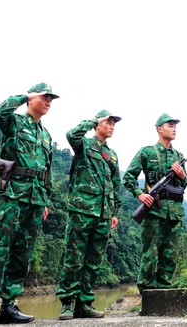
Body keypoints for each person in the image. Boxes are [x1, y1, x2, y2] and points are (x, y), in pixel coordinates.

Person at [0, 83, 59, 327]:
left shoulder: (46, 135)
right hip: (11, 195)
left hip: (34, 199)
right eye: (44, 97)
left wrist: (45, 200)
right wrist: (25, 96)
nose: (48, 102)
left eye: (51, 99)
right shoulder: (14, 122)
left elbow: (47, 171)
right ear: (32, 99)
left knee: (23, 255)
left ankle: (8, 306)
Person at [55, 110, 122, 320]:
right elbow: (71, 134)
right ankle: (67, 302)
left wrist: (114, 211)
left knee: (94, 261)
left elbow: (115, 183)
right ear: (98, 125)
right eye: (108, 122)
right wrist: (93, 120)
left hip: (103, 214)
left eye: (114, 123)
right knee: (74, 258)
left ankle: (84, 302)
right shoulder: (84, 145)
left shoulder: (112, 154)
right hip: (82, 209)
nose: (112, 126)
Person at [122, 114, 187, 292]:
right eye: (170, 125)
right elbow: (128, 177)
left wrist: (182, 175)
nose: (174, 128)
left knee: (170, 254)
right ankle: (147, 292)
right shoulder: (147, 152)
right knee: (150, 253)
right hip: (153, 210)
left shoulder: (179, 156)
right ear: (160, 129)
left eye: (175, 126)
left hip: (174, 212)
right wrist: (139, 195)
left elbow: (184, 185)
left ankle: (164, 291)